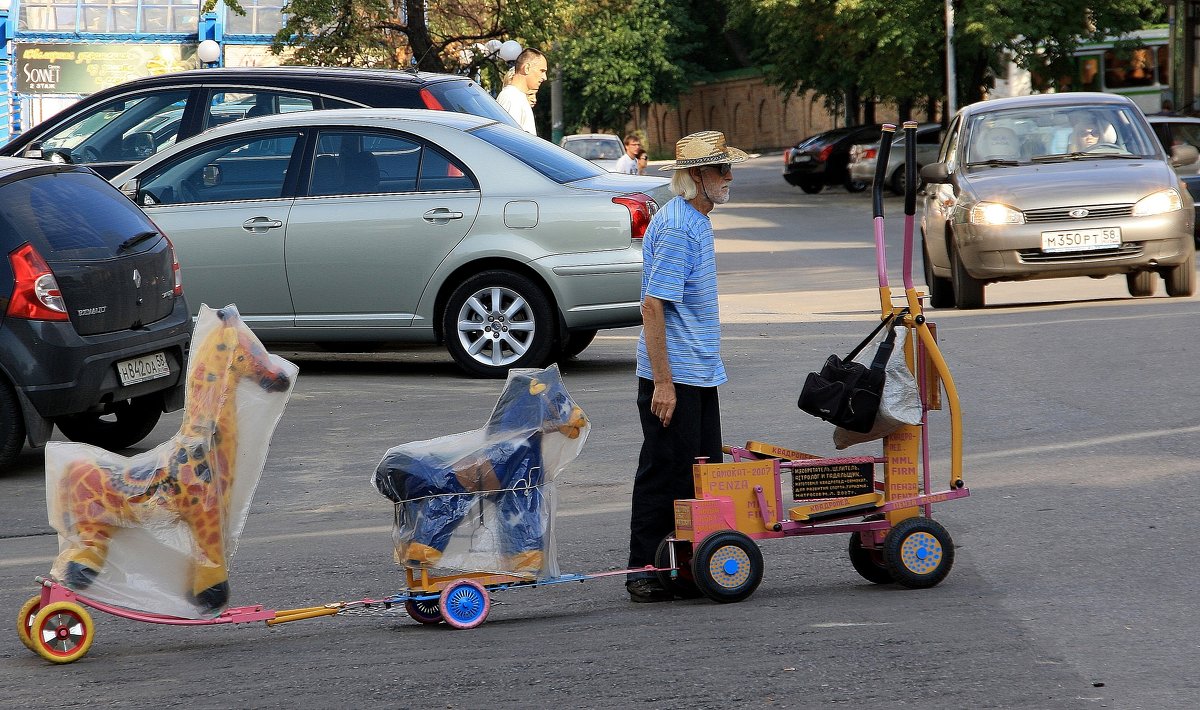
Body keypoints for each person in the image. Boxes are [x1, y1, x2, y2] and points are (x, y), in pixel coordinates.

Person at [625, 130, 748, 603]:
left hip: (698, 371)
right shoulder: (678, 226)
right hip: (675, 375)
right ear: (697, 175)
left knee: (702, 474)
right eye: (721, 169)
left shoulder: (695, 219)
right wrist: (663, 383)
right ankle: (644, 570)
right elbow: (653, 306)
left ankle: (687, 566)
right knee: (666, 471)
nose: (729, 177)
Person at [497, 48, 548, 136]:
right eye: (542, 71)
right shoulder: (511, 98)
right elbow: (508, 140)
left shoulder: (517, 97)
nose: (545, 77)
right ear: (527, 68)